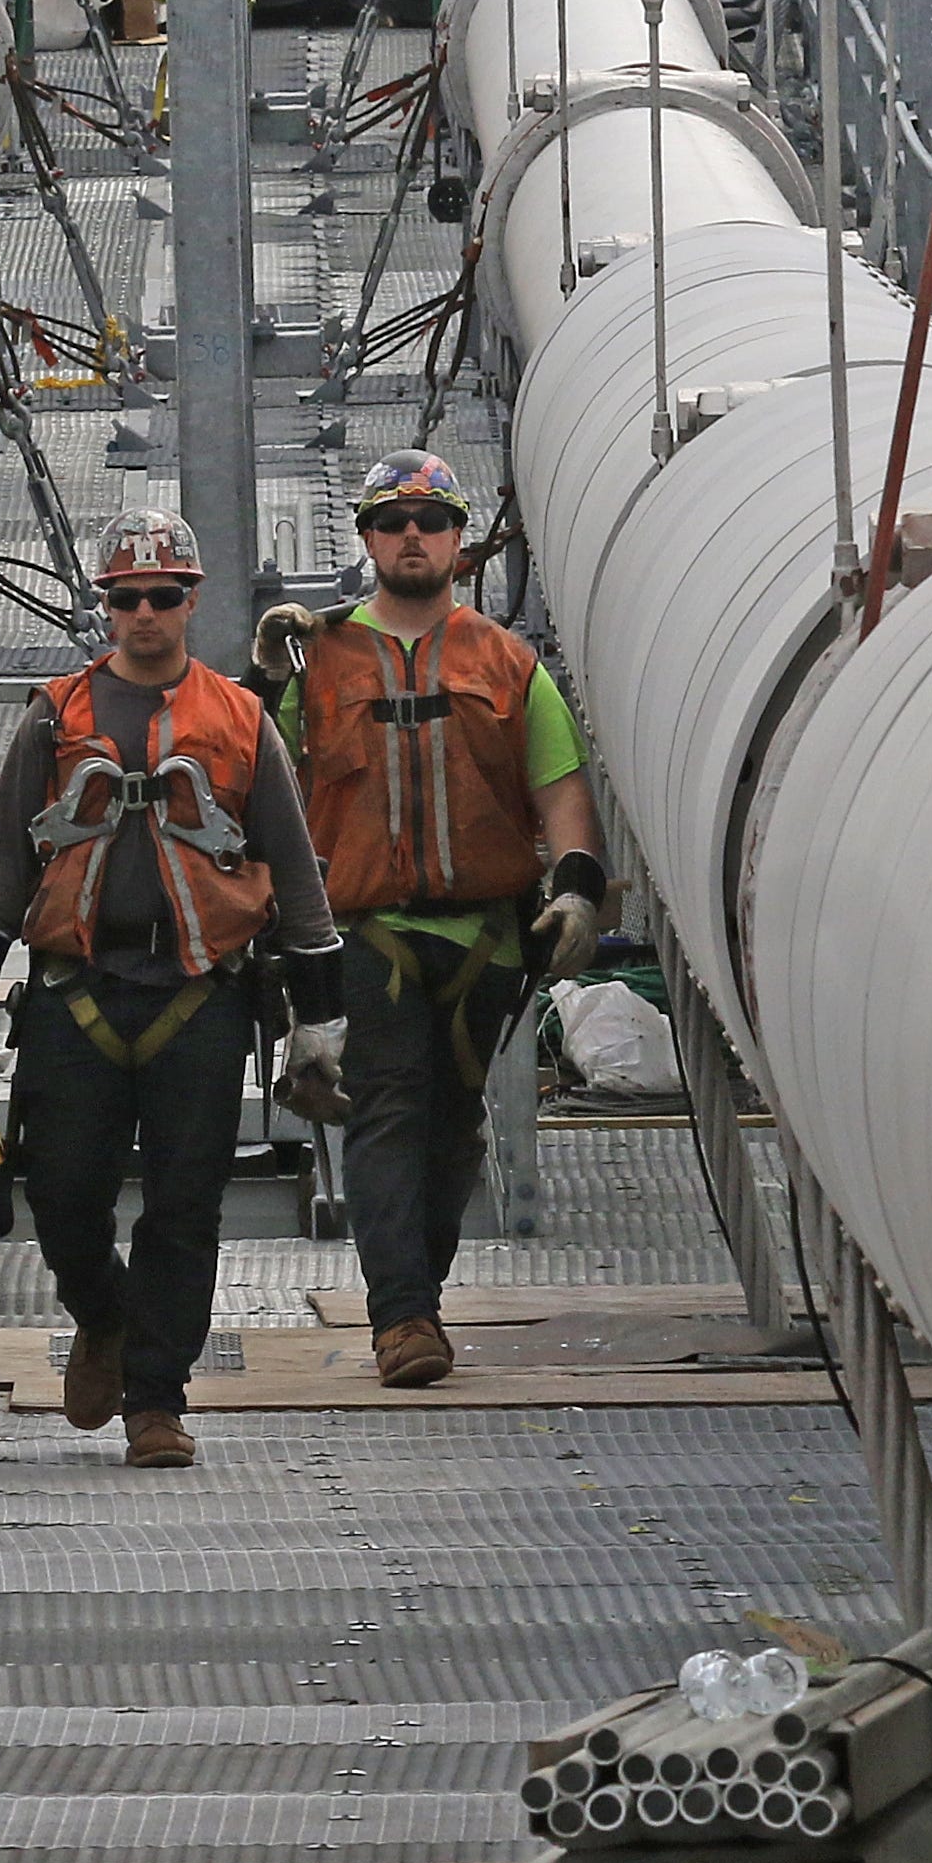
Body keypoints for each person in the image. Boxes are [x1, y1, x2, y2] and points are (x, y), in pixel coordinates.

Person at [0, 512, 346, 1469]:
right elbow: (3, 857)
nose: (144, 614)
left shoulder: (239, 719)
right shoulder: (55, 713)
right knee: (63, 1192)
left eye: (163, 596)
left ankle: (156, 1400)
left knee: (184, 1204)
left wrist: (320, 1017)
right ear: (104, 605)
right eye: (125, 597)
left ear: (191, 600)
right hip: (74, 992)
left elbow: (291, 867)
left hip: (198, 996)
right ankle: (105, 1318)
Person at [258, 448, 603, 1389]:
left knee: (451, 1131)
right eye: (392, 521)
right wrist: (260, 681)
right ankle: (401, 1317)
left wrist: (573, 886)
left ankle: (418, 1296)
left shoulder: (506, 664)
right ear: (367, 538)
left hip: (482, 939)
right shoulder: (316, 658)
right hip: (360, 935)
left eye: (432, 520)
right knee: (388, 1105)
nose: (412, 535)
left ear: (459, 541)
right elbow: (254, 785)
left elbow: (559, 790)